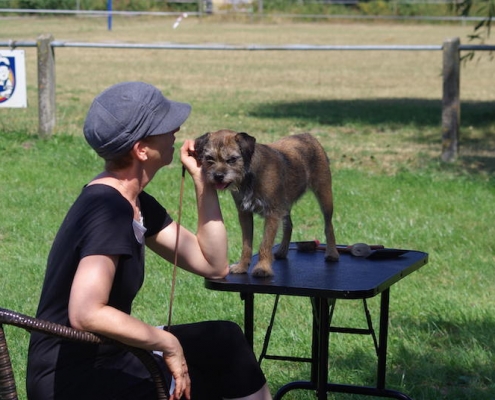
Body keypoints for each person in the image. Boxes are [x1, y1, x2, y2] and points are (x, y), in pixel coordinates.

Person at [26, 81, 272, 400]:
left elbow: (213, 264)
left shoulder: (136, 202)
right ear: (141, 149)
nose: (177, 129)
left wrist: (204, 182)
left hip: (110, 354)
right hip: (75, 379)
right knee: (207, 384)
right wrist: (165, 342)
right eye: (165, 125)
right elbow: (86, 312)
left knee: (224, 339)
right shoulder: (109, 210)